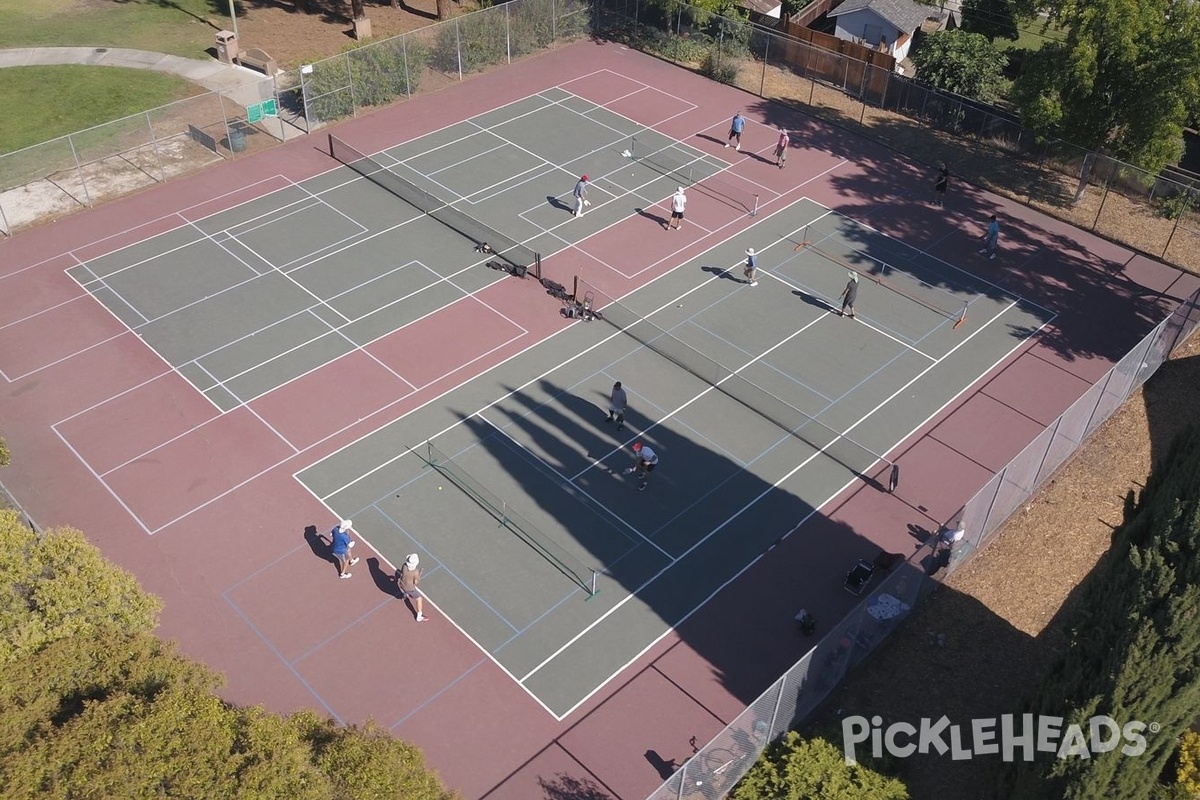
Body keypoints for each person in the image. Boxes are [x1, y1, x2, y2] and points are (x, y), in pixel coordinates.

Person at [397, 553, 427, 622]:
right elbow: (415, 583)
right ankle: (419, 617)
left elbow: (402, 573)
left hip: (401, 584)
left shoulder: (404, 565)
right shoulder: (416, 572)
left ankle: (404, 596)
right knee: (419, 599)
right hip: (410, 589)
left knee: (404, 590)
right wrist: (418, 578)